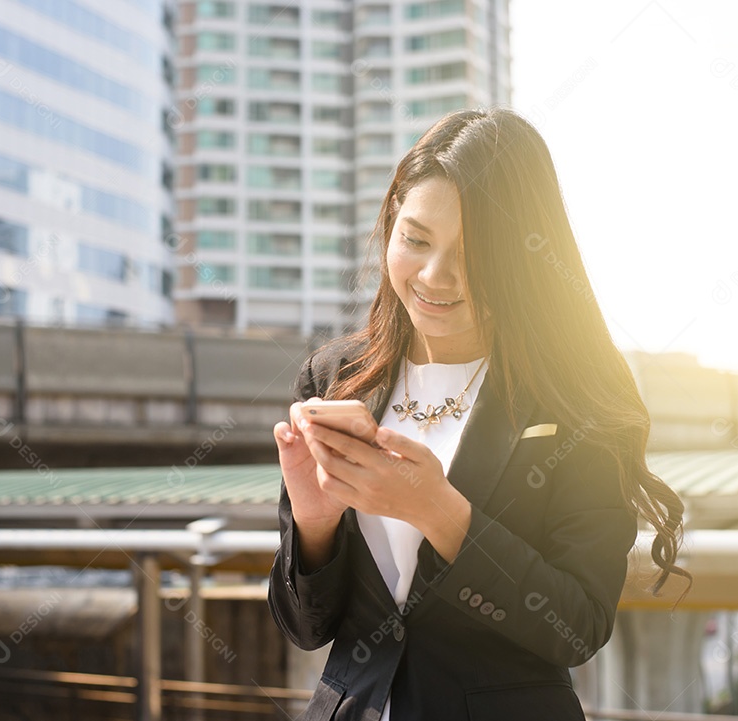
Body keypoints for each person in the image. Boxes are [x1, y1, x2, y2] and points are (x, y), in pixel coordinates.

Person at [267, 107, 692, 720]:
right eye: (415, 239)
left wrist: (437, 510)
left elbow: (578, 625)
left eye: (475, 254)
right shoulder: (336, 380)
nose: (436, 277)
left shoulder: (578, 394)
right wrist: (313, 522)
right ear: (390, 227)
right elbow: (306, 628)